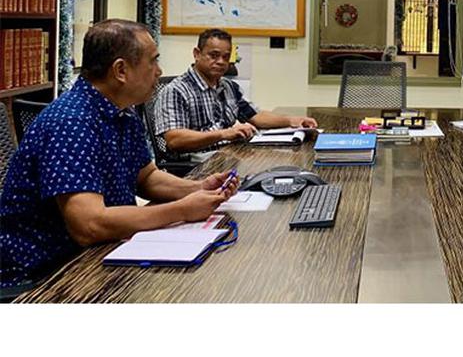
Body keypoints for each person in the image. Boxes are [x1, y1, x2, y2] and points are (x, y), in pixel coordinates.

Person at [0, 20, 238, 292]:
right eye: (153, 62)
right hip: (43, 276)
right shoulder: (71, 122)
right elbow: (88, 225)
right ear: (121, 70)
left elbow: (146, 177)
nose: (159, 72)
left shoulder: (122, 111)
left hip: (98, 257)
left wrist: (196, 188)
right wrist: (182, 210)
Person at [153, 28, 317, 161]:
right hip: (198, 163)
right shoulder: (175, 91)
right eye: (214, 55)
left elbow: (256, 116)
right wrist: (223, 134)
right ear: (197, 54)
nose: (221, 62)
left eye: (226, 57)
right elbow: (175, 140)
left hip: (230, 154)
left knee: (283, 162)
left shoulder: (228, 86)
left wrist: (293, 121)